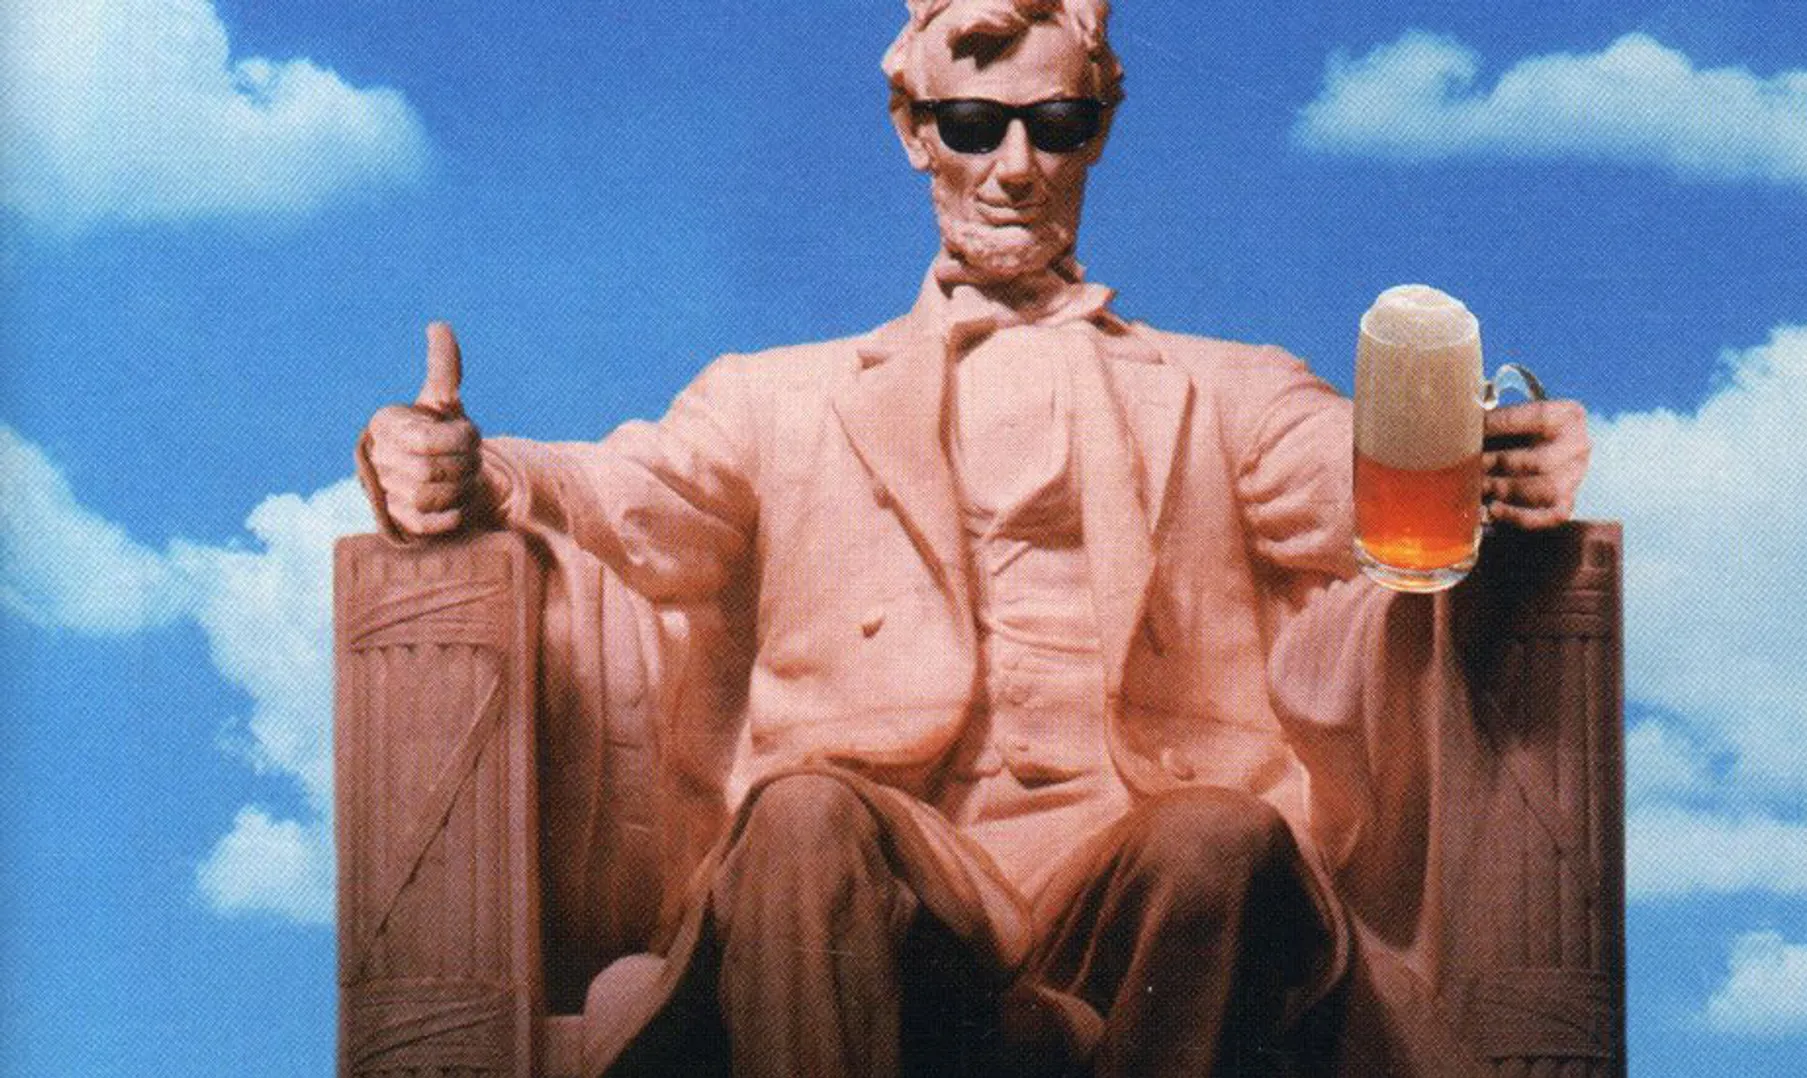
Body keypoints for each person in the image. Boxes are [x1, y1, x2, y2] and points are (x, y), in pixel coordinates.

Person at [359, 2, 1590, 1075]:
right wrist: (475, 469)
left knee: (1223, 834)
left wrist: (1476, 464)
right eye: (973, 125)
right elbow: (634, 495)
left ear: (1096, 135)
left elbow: (1349, 477)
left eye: (1055, 127)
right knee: (800, 816)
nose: (1015, 167)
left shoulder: (1228, 390)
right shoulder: (775, 398)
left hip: (1134, 864)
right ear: (914, 131)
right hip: (891, 867)